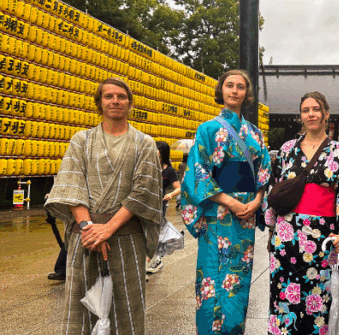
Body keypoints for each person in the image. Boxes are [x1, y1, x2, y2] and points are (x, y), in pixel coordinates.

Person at [45, 77, 163, 335]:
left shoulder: (144, 143)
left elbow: (143, 192)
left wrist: (108, 229)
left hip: (126, 234)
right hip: (84, 235)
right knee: (79, 309)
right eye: (108, 96)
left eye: (121, 96)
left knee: (127, 309)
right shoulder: (81, 140)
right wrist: (90, 228)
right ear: (99, 102)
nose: (115, 101)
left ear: (130, 103)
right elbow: (72, 184)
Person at [180, 70, 271, 335]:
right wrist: (229, 201)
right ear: (221, 91)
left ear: (247, 94)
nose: (234, 90)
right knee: (214, 280)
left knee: (239, 282)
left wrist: (257, 201)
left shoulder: (255, 133)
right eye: (229, 86)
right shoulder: (207, 129)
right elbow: (198, 173)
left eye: (240, 87)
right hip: (218, 214)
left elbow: (263, 173)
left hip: (245, 217)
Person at [263, 91, 339, 335]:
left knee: (318, 299)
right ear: (301, 116)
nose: (311, 114)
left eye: (316, 109)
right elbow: (275, 190)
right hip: (286, 234)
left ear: (326, 114)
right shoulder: (286, 150)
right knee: (283, 296)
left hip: (322, 237)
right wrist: (272, 229)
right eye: (306, 110)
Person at [146, 140, 182, 274]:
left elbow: (178, 188)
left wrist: (171, 194)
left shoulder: (169, 170)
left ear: (161, 152)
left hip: (159, 205)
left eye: (156, 149)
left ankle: (157, 259)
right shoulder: (149, 166)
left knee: (156, 232)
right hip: (146, 203)